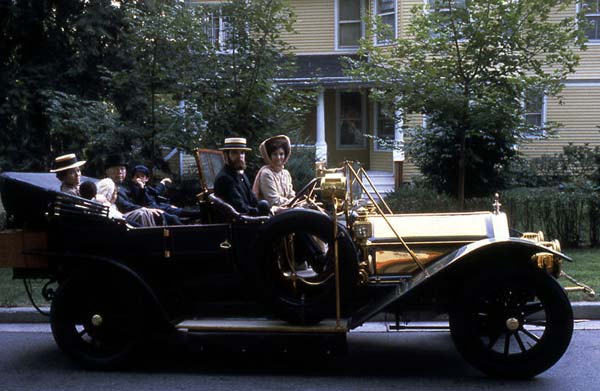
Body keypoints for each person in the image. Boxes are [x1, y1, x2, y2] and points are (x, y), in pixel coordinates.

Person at [104, 154, 180, 225]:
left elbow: (143, 199)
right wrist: (146, 209)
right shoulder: (106, 186)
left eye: (122, 169)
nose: (119, 172)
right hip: (123, 219)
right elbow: (125, 206)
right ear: (107, 171)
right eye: (115, 169)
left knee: (173, 217)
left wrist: (142, 189)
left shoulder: (127, 186)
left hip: (140, 212)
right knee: (170, 219)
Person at [213, 137, 269, 216]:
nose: (240, 157)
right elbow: (240, 209)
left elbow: (253, 200)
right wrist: (261, 213)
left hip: (247, 220)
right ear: (226, 155)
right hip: (237, 225)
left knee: (264, 204)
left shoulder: (241, 175)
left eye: (242, 152)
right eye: (235, 153)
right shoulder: (225, 178)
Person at [129, 165, 203, 221]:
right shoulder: (134, 189)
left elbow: (156, 191)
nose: (140, 178)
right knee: (175, 218)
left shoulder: (148, 188)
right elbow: (140, 201)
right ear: (133, 179)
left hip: (161, 206)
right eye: (137, 176)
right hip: (153, 210)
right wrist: (141, 187)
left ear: (146, 179)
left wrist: (162, 182)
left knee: (188, 212)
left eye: (142, 176)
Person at [252, 135, 295, 208]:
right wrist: (293, 203)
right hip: (272, 214)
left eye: (281, 154)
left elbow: (291, 195)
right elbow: (273, 201)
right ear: (269, 156)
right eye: (275, 154)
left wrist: (297, 202)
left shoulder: (286, 173)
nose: (278, 158)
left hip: (287, 210)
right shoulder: (266, 173)